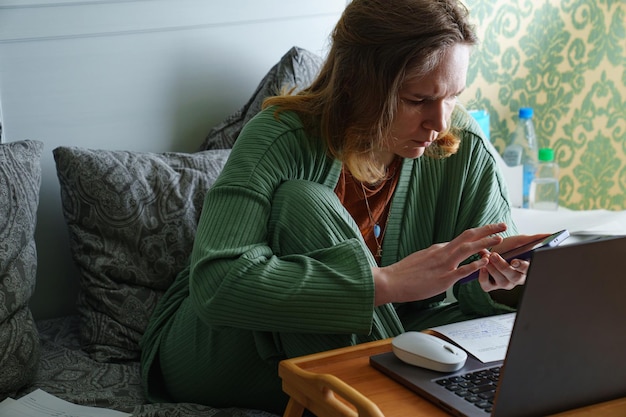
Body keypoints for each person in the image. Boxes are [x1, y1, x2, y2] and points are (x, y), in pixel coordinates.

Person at [140, 0, 546, 413]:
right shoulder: (281, 137)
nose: (439, 122)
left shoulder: (461, 147)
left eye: (452, 96)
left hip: (386, 339)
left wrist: (501, 281)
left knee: (511, 350)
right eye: (417, 99)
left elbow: (475, 301)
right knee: (302, 202)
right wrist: (385, 285)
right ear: (355, 81)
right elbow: (217, 285)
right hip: (225, 345)